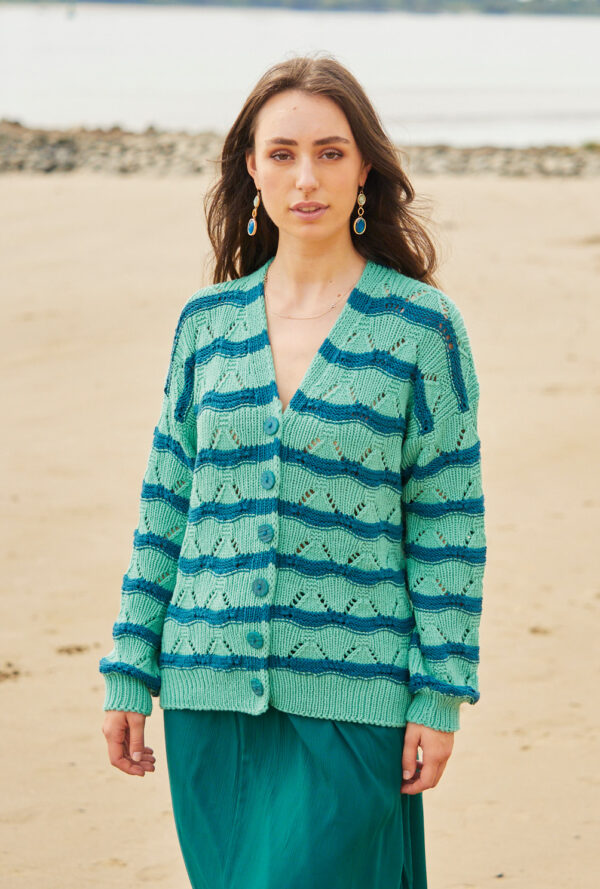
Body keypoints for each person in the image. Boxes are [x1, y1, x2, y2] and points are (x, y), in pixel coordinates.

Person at [100, 54, 486, 889]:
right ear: (251, 167)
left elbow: (449, 524)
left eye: (330, 152)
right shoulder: (206, 325)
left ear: (365, 167)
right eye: (282, 153)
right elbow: (166, 506)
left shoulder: (422, 330)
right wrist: (130, 666)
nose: (305, 178)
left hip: (353, 698)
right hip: (206, 698)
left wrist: (439, 693)